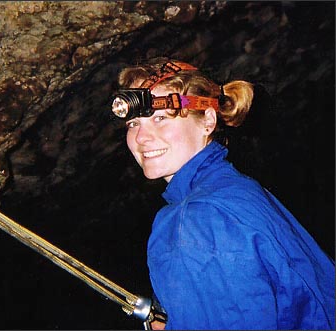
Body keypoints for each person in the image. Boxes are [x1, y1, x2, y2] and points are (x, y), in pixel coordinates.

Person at [110, 58, 335, 330]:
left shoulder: (193, 219)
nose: (141, 138)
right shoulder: (240, 190)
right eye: (133, 124)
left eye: (160, 118)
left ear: (207, 119)